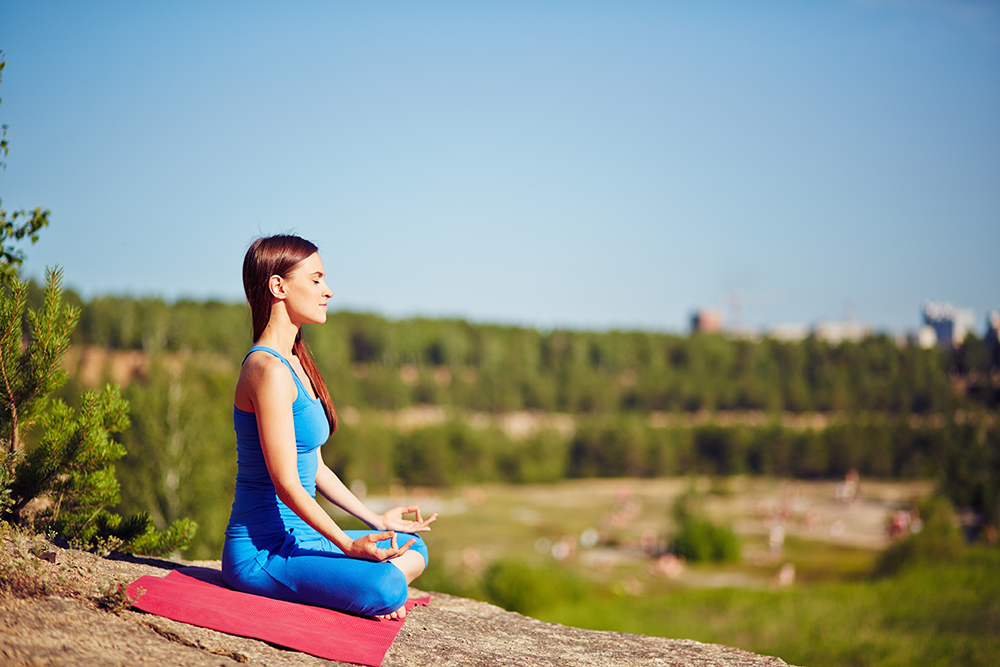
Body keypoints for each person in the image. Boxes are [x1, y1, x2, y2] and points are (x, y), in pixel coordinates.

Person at [222, 234, 436, 620]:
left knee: (411, 546)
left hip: (305, 538)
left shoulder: (296, 362)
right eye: (317, 279)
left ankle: (353, 584)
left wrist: (376, 520)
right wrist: (347, 544)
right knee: (387, 586)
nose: (328, 291)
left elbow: (314, 467)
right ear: (278, 286)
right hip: (264, 552)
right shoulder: (266, 370)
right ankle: (365, 588)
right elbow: (286, 483)